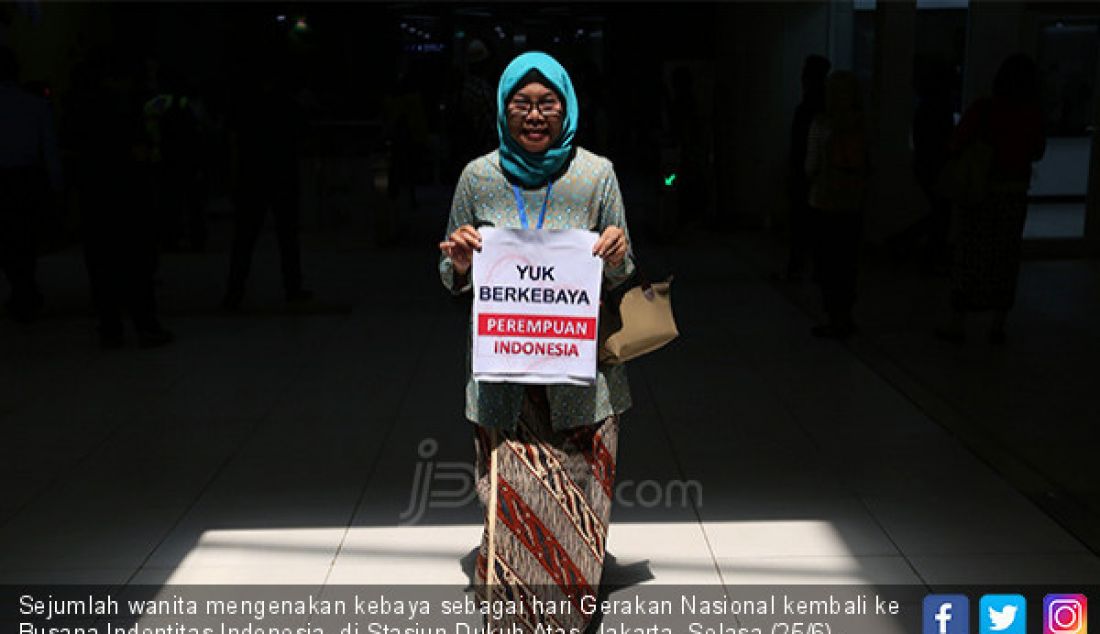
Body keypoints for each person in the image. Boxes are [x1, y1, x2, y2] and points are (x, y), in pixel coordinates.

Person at [438, 51, 632, 633]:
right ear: (503, 109)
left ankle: (570, 602)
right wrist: (462, 258)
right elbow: (451, 276)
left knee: (578, 498)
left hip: (580, 376)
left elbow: (624, 270)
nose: (534, 115)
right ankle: (515, 591)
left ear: (568, 106)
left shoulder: (597, 175)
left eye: (547, 102)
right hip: (506, 376)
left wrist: (618, 252)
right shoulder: (477, 177)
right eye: (521, 103)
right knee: (510, 491)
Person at [937, 53, 1045, 344]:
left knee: (971, 254)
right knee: (1005, 258)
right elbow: (1037, 151)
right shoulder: (1032, 114)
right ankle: (998, 324)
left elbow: (957, 141)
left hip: (981, 191)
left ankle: (958, 322)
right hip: (1015, 193)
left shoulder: (985, 109)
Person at [222, 60, 311, 309]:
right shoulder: (288, 105)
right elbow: (302, 136)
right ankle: (292, 288)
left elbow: (233, 144)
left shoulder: (243, 107)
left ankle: (234, 291)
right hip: (282, 176)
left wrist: (232, 178)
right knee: (287, 237)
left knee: (244, 238)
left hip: (251, 176)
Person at [805, 70, 870, 339]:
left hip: (825, 199)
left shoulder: (822, 124)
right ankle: (847, 315)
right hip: (853, 201)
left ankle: (833, 316)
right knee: (848, 261)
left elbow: (810, 166)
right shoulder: (862, 124)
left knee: (828, 262)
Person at [0, 46, 61, 324]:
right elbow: (49, 150)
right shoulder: (36, 106)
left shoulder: (34, 105)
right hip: (26, 179)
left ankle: (21, 288)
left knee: (7, 240)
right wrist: (55, 184)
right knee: (25, 237)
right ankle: (25, 288)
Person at [778, 54, 830, 282]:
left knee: (801, 225)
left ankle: (799, 268)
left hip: (807, 175)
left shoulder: (808, 108)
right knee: (816, 226)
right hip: (818, 176)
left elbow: (803, 146)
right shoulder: (826, 107)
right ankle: (814, 270)